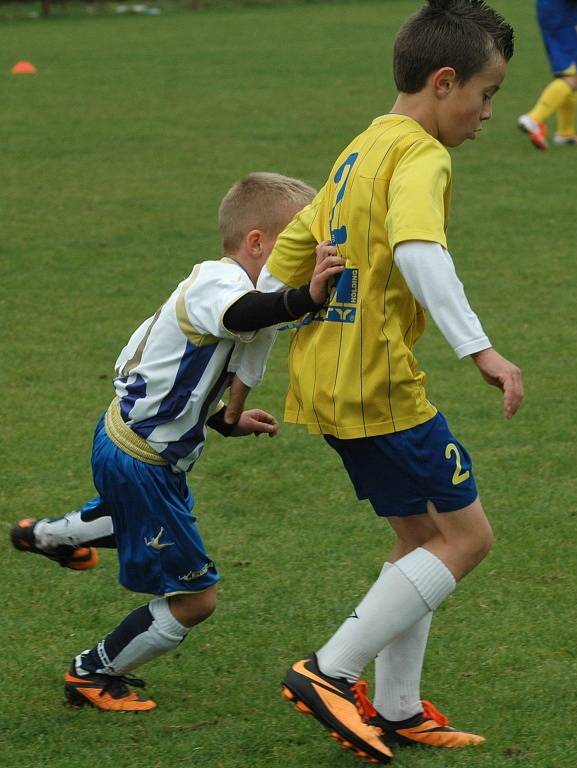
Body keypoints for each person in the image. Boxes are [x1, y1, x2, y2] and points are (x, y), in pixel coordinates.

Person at [239, 1, 523, 763]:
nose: (487, 112)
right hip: (379, 386)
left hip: (325, 387)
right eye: (486, 94)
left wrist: (234, 373)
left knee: (421, 540)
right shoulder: (423, 156)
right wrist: (480, 351)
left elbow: (279, 272)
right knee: (467, 538)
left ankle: (397, 710)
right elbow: (420, 251)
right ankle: (329, 672)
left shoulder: (356, 151)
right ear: (442, 81)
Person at [10, 172, 344, 712]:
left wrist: (224, 419)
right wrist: (304, 297)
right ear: (257, 242)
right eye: (298, 244)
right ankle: (92, 672)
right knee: (195, 599)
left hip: (133, 445)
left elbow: (219, 361)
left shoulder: (249, 293)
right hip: (141, 459)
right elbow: (242, 318)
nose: (306, 257)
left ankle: (48, 537)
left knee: (128, 522)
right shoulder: (219, 284)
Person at [517, 0, 577, 150]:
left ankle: (566, 133)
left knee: (572, 74)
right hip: (562, 16)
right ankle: (533, 119)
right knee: (572, 78)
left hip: (556, 14)